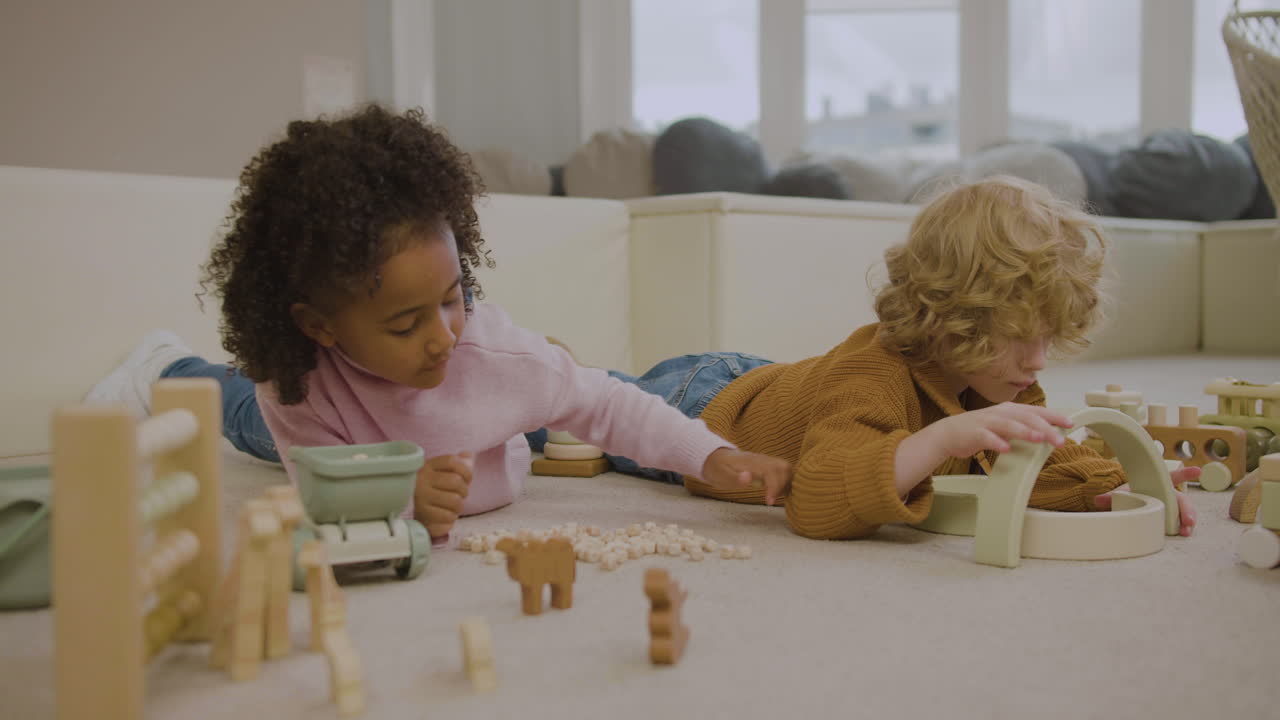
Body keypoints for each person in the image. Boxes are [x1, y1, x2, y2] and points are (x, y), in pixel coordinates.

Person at [86, 103, 789, 542]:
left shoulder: (491, 355)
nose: (443, 336)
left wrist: (713, 456)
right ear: (320, 325)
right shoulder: (297, 386)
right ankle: (163, 368)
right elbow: (321, 504)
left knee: (536, 392)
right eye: (404, 324)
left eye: (453, 298)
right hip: (341, 424)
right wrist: (400, 504)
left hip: (476, 423)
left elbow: (608, 402)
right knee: (240, 413)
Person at [669, 175, 1199, 539]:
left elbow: (1036, 460)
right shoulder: (873, 378)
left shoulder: (999, 380)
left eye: (1047, 338)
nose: (1038, 362)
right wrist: (940, 440)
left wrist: (1112, 483)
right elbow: (814, 501)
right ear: (949, 318)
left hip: (781, 383)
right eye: (1017, 338)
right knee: (617, 412)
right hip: (705, 400)